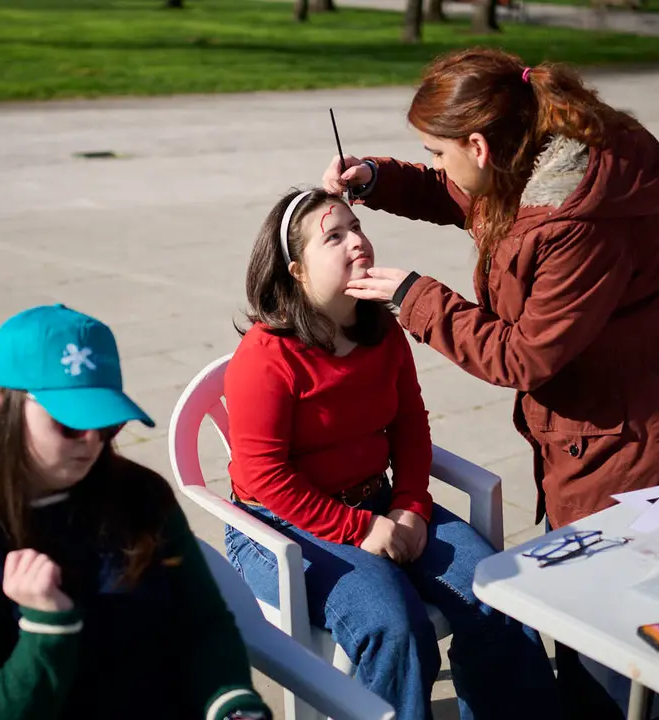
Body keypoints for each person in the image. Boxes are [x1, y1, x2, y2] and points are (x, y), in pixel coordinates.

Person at [323, 47, 659, 717]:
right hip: (603, 418)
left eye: (436, 150)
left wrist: (415, 297)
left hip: (642, 430)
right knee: (591, 601)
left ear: (481, 144)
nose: (434, 164)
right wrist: (377, 178)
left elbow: (523, 356)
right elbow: (461, 194)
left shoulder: (578, 218)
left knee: (621, 621)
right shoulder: (531, 162)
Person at [223, 187, 562, 720]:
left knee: (498, 592)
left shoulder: (382, 329)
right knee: (395, 628)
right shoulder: (266, 356)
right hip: (279, 527)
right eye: (334, 237)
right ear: (296, 270)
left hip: (377, 500)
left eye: (356, 227)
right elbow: (264, 476)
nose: (356, 241)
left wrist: (409, 503)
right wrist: (359, 530)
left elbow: (409, 424)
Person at [0, 304, 272, 720]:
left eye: (107, 424)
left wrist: (234, 705)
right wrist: (47, 629)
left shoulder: (142, 498)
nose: (92, 441)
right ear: (1, 402)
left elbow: (203, 622)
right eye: (71, 424)